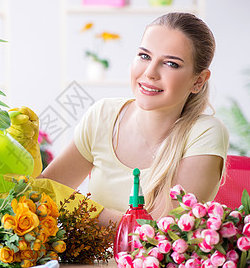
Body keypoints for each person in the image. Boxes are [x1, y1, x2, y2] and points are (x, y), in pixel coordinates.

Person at [37, 12, 229, 225]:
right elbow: (41, 193)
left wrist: (79, 210)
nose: (150, 73)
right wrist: (18, 153)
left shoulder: (204, 133)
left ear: (198, 81)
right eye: (144, 56)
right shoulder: (103, 115)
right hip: (86, 260)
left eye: (171, 64)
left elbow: (158, 233)